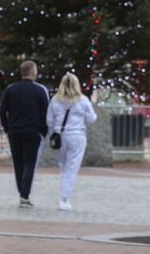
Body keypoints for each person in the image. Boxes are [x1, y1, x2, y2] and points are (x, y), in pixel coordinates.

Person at [0, 60, 49, 208]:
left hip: (14, 131)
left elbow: (2, 111)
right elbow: (45, 113)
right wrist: (43, 132)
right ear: (33, 72)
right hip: (33, 131)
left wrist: (7, 128)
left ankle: (22, 190)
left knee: (18, 163)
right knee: (29, 163)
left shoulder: (11, 89)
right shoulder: (40, 90)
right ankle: (24, 194)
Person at [46, 73, 97, 211]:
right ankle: (64, 199)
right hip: (77, 135)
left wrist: (54, 132)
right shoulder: (83, 100)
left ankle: (64, 196)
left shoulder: (55, 100)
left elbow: (49, 120)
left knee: (64, 167)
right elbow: (91, 118)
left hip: (60, 136)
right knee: (71, 168)